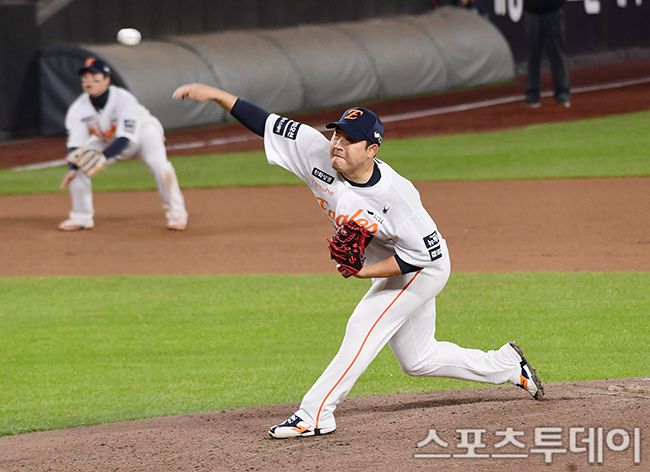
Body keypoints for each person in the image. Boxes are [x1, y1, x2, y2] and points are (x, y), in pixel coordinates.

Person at [172, 83, 545, 439]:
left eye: (349, 139)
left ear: (371, 150)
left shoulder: (398, 198)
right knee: (419, 360)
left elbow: (420, 258)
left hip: (424, 269)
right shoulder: (314, 150)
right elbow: (263, 121)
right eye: (337, 134)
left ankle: (316, 413)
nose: (337, 143)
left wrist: (365, 271)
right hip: (398, 262)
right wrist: (213, 94)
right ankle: (506, 365)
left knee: (364, 324)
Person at [59, 57, 188, 231]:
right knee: (79, 163)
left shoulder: (123, 99)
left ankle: (177, 214)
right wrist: (73, 168)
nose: (89, 81)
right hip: (107, 141)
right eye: (85, 77)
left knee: (161, 168)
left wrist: (103, 157)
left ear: (107, 80)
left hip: (144, 135)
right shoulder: (78, 108)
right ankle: (81, 218)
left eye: (95, 77)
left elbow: (125, 139)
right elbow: (75, 144)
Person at [523, 0, 571, 108]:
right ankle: (532, 94)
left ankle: (562, 93)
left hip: (553, 8)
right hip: (532, 10)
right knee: (532, 56)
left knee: (557, 53)